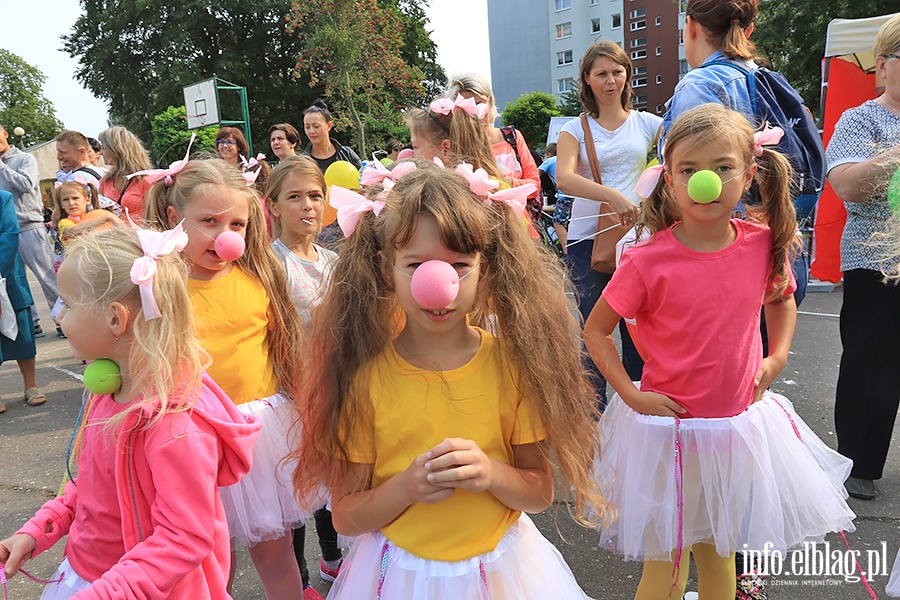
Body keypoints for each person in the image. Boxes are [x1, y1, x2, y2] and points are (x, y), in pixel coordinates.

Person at [291, 161, 606, 599]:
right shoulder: (366, 380)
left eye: (458, 264)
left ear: (485, 268)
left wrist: (491, 472)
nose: (437, 285)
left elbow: (538, 491)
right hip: (401, 577)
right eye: (416, 263)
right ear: (386, 268)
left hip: (499, 572)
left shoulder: (512, 367)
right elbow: (346, 516)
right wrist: (406, 486)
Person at [583, 104, 855, 600]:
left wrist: (778, 359)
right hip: (668, 435)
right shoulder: (648, 260)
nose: (704, 181)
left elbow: (781, 300)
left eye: (722, 167)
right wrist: (632, 394)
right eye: (688, 170)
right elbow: (597, 330)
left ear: (749, 173)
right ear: (668, 180)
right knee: (664, 570)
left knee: (720, 560)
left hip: (733, 430)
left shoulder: (760, 245)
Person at [0, 224, 262, 598]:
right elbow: (87, 487)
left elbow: (184, 538)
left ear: (114, 319)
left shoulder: (175, 429)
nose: (58, 315)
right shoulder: (108, 391)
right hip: (89, 576)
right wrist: (38, 530)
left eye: (69, 304)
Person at [144, 157, 311, 599]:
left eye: (237, 224)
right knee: (208, 557)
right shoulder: (161, 287)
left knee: (275, 551)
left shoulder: (259, 279)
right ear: (174, 219)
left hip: (257, 434)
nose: (225, 235)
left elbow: (285, 351)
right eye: (210, 221)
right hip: (192, 438)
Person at [662, 0, 810, 307]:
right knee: (763, 352)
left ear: (690, 26)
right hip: (782, 248)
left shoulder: (699, 86)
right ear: (748, 30)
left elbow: (698, 188)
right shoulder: (768, 79)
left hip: (722, 259)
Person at [556, 41, 661, 403]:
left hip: (636, 241)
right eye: (601, 73)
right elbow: (564, 178)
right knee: (593, 328)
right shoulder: (575, 127)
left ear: (627, 75)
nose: (610, 80)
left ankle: (638, 412)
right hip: (589, 240)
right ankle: (595, 417)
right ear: (587, 80)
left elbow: (681, 151)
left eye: (617, 71)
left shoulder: (646, 123)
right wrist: (613, 195)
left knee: (638, 329)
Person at [826, 14, 900, 502]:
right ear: (883, 64)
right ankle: (859, 461)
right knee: (872, 367)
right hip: (876, 263)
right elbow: (846, 183)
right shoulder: (862, 119)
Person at [265, 155, 340, 600]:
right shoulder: (270, 263)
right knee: (291, 495)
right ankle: (300, 580)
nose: (307, 206)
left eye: (315, 196)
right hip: (287, 394)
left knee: (329, 480)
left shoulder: (331, 259)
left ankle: (333, 556)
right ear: (273, 206)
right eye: (294, 197)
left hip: (329, 388)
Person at [446, 73, 543, 221]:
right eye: (466, 106)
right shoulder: (453, 144)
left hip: (519, 226)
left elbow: (534, 185)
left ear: (489, 101)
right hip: (477, 226)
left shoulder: (512, 137)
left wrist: (504, 182)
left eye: (479, 103)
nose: (474, 111)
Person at [0, 123, 61, 338]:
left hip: (29, 226)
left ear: (5, 134)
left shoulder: (24, 159)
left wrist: (1, 167)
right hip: (5, 232)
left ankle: (62, 320)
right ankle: (31, 322)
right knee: (15, 280)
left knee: (46, 276)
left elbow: (26, 185)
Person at [0, 189, 42, 412]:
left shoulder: (3, 198)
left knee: (22, 329)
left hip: (8, 273)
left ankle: (31, 385)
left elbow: (10, 234)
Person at [98, 126, 153, 221]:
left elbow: (156, 217)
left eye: (103, 148)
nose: (101, 153)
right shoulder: (105, 182)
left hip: (140, 234)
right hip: (113, 235)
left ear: (116, 150)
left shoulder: (146, 180)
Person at [302, 99, 362, 173]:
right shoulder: (302, 163)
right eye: (307, 127)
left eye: (316, 126)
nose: (311, 131)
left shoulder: (347, 154)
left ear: (329, 126)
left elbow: (364, 177)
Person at [539, 142, 573, 252]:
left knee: (558, 223)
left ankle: (567, 251)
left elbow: (534, 174)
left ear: (549, 154)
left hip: (564, 195)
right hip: (576, 195)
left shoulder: (551, 160)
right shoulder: (566, 159)